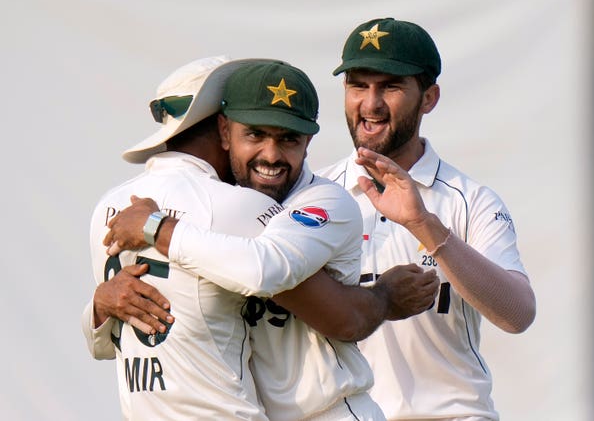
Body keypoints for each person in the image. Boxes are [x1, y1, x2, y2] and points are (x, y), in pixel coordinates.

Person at [98, 59, 440, 421]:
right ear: (225, 133)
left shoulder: (325, 201)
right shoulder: (215, 209)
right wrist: (102, 303)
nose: (272, 156)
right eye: (255, 135)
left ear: (308, 142)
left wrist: (156, 229)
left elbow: (265, 271)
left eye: (289, 139)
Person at [316, 17, 537, 420]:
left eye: (391, 86)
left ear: (429, 98)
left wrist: (424, 224)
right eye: (358, 85)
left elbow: (517, 315)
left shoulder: (471, 200)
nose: (370, 104)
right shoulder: (316, 195)